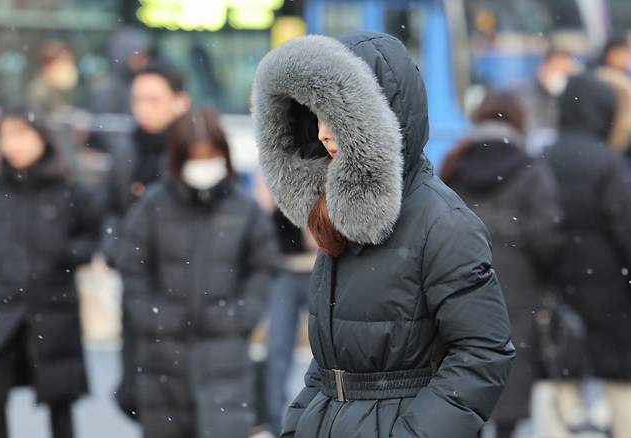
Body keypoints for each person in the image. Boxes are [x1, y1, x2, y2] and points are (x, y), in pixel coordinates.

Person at [252, 32, 514, 438]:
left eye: (338, 117)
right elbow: (327, 365)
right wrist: (299, 424)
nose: (323, 133)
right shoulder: (338, 214)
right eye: (316, 117)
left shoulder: (443, 223)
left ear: (380, 116)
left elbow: (483, 354)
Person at [116, 108, 277, 438]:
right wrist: (152, 317)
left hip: (225, 355)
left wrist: (241, 316)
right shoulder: (152, 206)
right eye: (195, 156)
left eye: (211, 155)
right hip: (162, 357)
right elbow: (133, 268)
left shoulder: (244, 209)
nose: (204, 164)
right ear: (179, 157)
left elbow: (262, 268)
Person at [441, 90, 564, 438]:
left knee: (466, 372)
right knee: (511, 371)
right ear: (519, 121)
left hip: (461, 283)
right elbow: (547, 234)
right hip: (518, 287)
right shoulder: (530, 167)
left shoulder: (454, 164)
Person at [0, 106, 100, 438]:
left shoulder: (68, 190)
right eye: (6, 137)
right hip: (6, 308)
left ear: (41, 138)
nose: (13, 145)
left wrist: (66, 255)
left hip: (55, 308)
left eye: (21, 135)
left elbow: (92, 236)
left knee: (59, 400)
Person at [542, 73, 631, 438]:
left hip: (557, 287)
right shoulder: (607, 163)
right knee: (619, 383)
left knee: (560, 377)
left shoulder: (542, 156)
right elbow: (626, 228)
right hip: (610, 290)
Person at [104, 62, 190, 419]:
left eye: (154, 99)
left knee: (180, 396)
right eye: (138, 99)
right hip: (138, 288)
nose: (144, 108)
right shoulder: (126, 150)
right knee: (136, 394)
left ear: (179, 102)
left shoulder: (192, 151)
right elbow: (110, 211)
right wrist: (116, 251)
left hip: (184, 289)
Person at [265, 208, 316, 435]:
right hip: (284, 267)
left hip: (318, 266)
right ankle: (277, 426)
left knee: (329, 352)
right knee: (276, 352)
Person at [521, 48, 578, 154]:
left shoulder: (575, 98)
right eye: (555, 70)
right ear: (543, 69)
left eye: (565, 73)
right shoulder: (524, 93)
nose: (560, 77)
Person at [27, 41, 80, 116]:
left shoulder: (62, 89)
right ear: (48, 65)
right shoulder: (39, 91)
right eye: (64, 63)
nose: (69, 68)